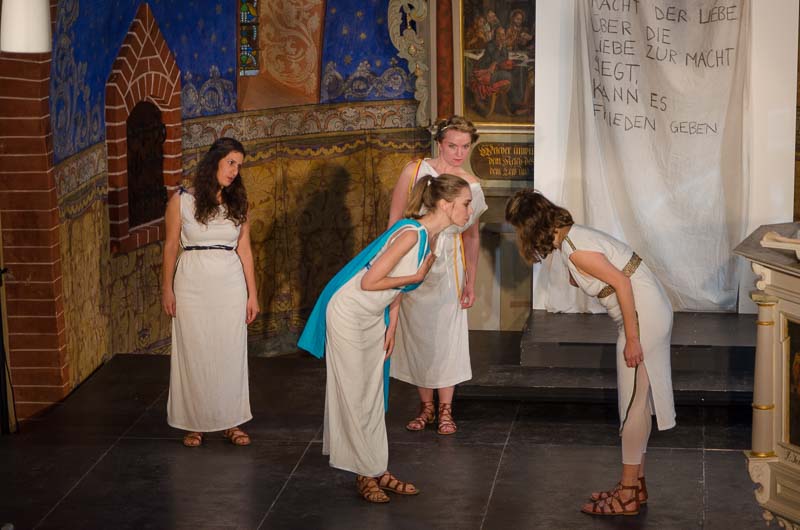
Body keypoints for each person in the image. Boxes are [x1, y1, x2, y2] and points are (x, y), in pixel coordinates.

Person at [299, 174, 474, 503]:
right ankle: (365, 473)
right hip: (349, 313)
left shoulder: (431, 237)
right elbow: (370, 282)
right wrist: (416, 276)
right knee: (357, 394)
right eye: (466, 204)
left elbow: (396, 287)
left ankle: (377, 468)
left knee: (373, 394)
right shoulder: (411, 234)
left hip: (372, 316)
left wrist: (391, 325)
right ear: (445, 204)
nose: (470, 210)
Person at [505, 190, 676, 516]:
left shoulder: (575, 249)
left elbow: (622, 284)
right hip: (648, 310)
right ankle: (634, 485)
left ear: (530, 226)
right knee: (638, 402)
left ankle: (628, 494)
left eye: (519, 229)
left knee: (632, 405)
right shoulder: (572, 239)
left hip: (643, 317)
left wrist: (633, 339)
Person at [387, 116, 488, 436]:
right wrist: (391, 265)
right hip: (413, 257)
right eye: (452, 146)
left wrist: (471, 281)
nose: (459, 153)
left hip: (449, 266)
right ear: (439, 143)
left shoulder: (471, 185)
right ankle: (425, 406)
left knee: (447, 337)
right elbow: (395, 220)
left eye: (465, 147)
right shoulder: (415, 171)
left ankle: (445, 409)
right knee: (418, 333)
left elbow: (471, 236)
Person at [161, 137, 260, 448]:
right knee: (195, 349)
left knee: (229, 350)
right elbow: (170, 246)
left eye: (238, 166)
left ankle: (231, 421)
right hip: (192, 282)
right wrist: (166, 288)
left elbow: (245, 250)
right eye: (230, 163)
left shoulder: (238, 203)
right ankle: (195, 422)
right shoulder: (182, 201)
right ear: (214, 161)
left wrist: (253, 294)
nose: (234, 171)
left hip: (229, 283)